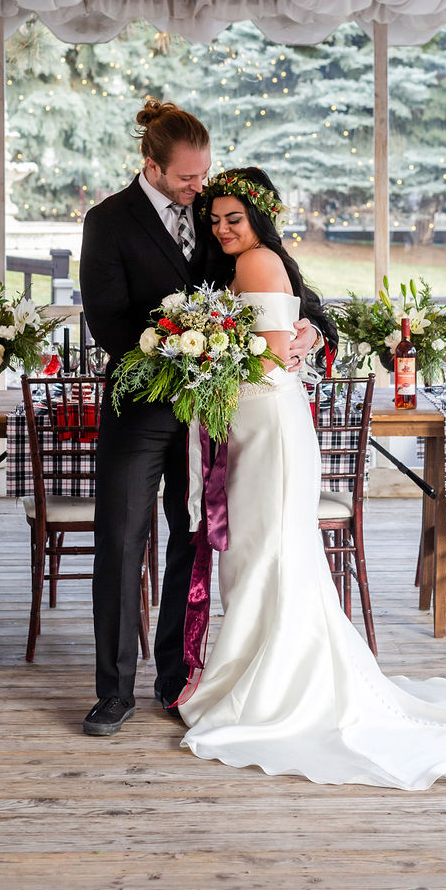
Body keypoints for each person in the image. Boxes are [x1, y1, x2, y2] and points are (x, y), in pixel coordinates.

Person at [177, 167, 446, 789]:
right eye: (214, 221)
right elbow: (288, 341)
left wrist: (216, 343)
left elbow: (268, 353)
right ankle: (257, 672)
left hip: (267, 417)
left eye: (232, 219)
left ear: (257, 219)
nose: (221, 229)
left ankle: (268, 687)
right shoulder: (256, 264)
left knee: (266, 548)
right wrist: (289, 337)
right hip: (259, 416)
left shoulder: (255, 264)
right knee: (258, 549)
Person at [78, 104, 319, 736]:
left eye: (203, 175)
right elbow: (105, 322)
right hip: (140, 413)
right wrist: (186, 340)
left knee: (191, 546)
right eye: (186, 178)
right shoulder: (107, 221)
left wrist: (310, 328)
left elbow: (295, 288)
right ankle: (112, 692)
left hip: (212, 420)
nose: (197, 188)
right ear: (150, 166)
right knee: (121, 545)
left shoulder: (224, 215)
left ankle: (174, 679)